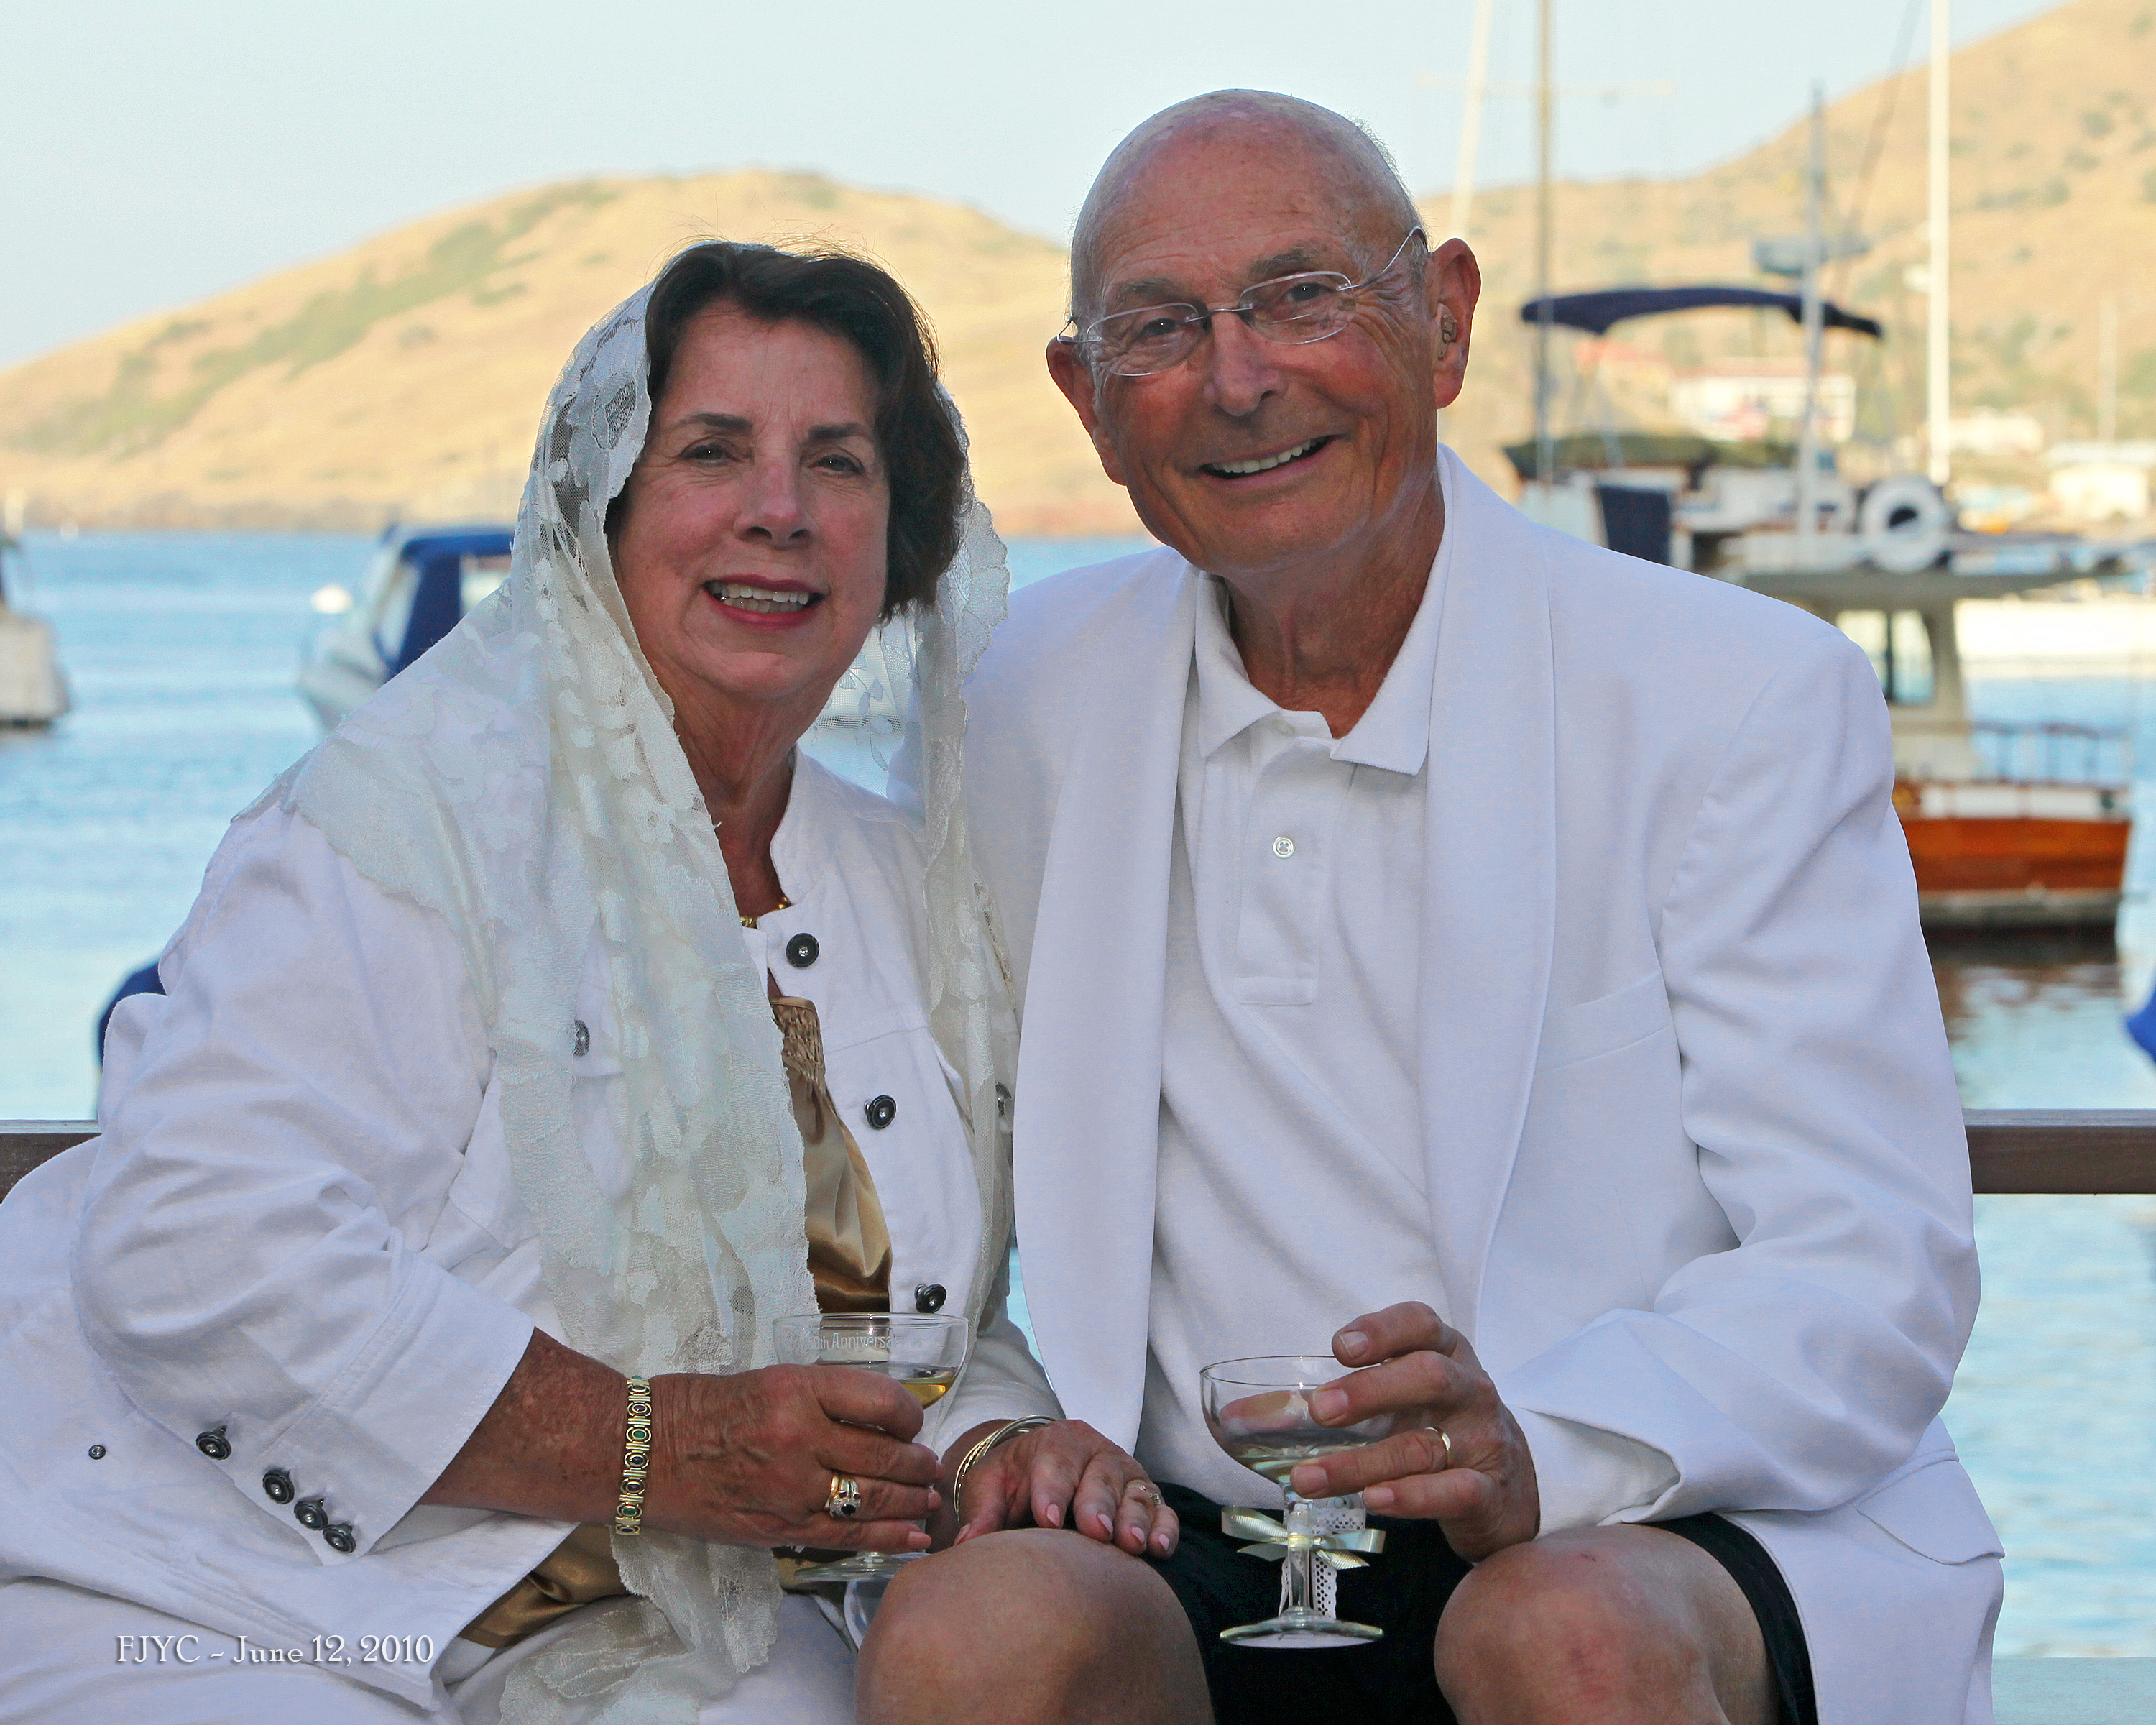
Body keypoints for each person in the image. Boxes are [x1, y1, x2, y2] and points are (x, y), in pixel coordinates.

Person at [860, 93, 2000, 1725]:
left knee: (1561, 1640)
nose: (1241, 376)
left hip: (1648, 1504)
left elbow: (1871, 1262)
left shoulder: (1730, 695)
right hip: (1191, 1533)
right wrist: (992, 1422)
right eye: (1164, 329)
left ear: (1445, 321)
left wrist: (1546, 1444)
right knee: (975, 1638)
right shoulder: (1015, 695)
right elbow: (915, 1195)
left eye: (1306, 294)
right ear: (1090, 406)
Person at [0, 240, 1176, 1724]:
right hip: (229, 1594)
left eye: (839, 462)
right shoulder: (410, 817)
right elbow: (188, 1239)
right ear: (598, 520)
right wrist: (645, 1445)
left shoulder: (905, 887)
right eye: (710, 452)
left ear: (902, 540)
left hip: (666, 1615)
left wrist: (1007, 1438)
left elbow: (938, 1310)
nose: (780, 511)